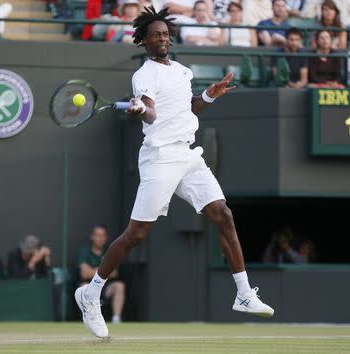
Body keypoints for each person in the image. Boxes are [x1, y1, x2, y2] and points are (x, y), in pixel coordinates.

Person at [75, 6, 274, 339]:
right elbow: (151, 113)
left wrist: (211, 94)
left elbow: (189, 107)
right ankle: (92, 291)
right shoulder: (144, 75)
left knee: (223, 214)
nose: (162, 38)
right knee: (136, 235)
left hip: (187, 154)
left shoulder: (182, 71)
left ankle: (243, 293)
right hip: (160, 157)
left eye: (166, 34)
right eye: (156, 35)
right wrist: (142, 109)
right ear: (144, 40)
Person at [78, 225, 126, 324]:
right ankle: (90, 319)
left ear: (106, 238)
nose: (100, 238)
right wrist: (104, 270)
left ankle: (116, 319)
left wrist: (93, 270)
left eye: (102, 236)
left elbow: (114, 273)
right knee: (83, 286)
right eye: (97, 235)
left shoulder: (110, 251)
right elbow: (84, 274)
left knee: (119, 286)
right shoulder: (84, 251)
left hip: (105, 287)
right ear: (92, 237)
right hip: (89, 286)